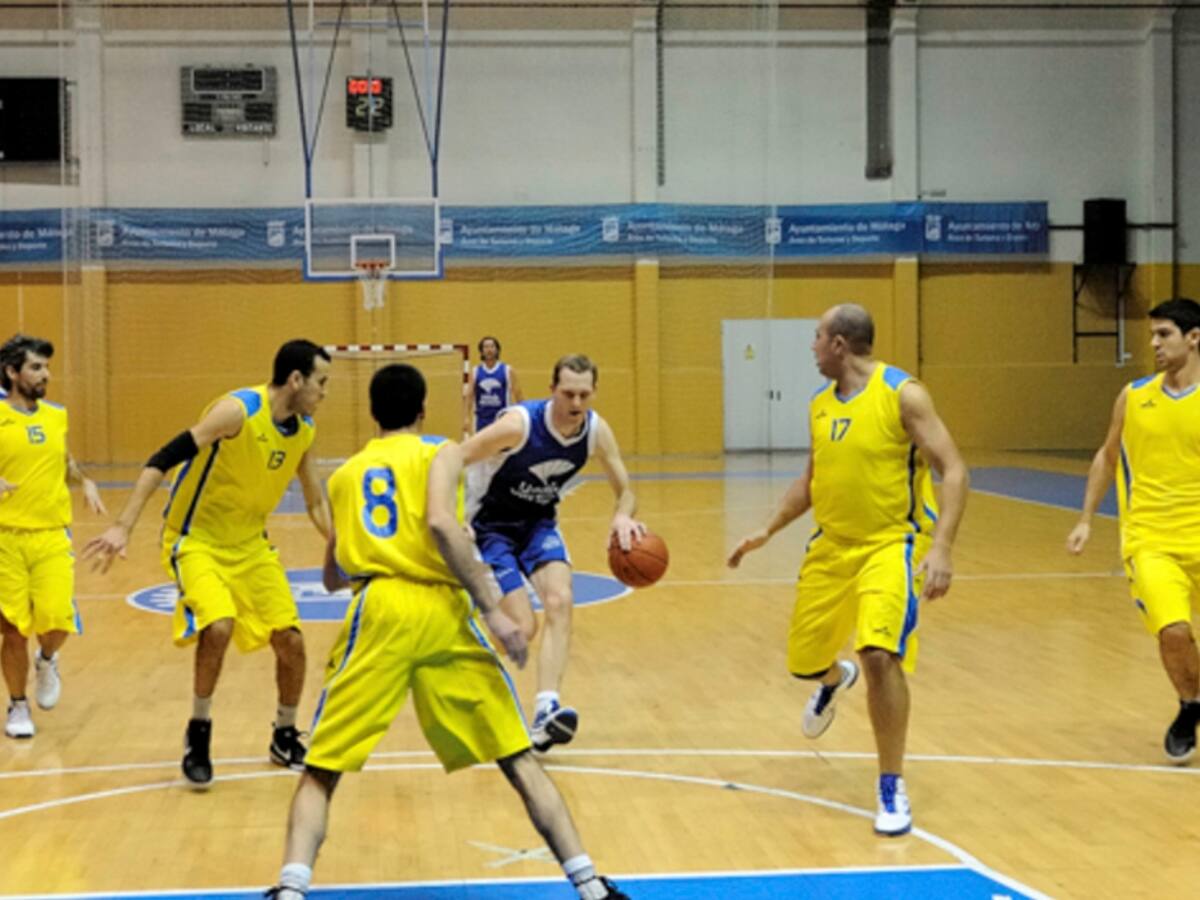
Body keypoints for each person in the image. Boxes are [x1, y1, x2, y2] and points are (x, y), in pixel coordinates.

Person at [266, 364, 629, 900]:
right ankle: (590, 884)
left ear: (372, 413)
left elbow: (332, 576)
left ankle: (291, 888)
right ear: (422, 410)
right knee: (517, 757)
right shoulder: (442, 453)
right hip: (442, 609)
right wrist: (493, 610)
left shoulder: (345, 476)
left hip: (379, 611)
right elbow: (440, 523)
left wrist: (371, 550)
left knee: (321, 768)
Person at [727, 304, 969, 836]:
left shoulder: (903, 394)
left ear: (839, 344)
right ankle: (834, 680)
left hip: (891, 544)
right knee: (804, 662)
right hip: (831, 549)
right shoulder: (819, 404)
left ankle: (891, 785)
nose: (812, 347)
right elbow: (811, 482)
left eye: (817, 337)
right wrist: (766, 530)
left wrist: (943, 548)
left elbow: (953, 469)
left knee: (880, 654)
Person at [82, 339, 332, 785]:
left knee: (291, 640)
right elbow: (161, 459)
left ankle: (284, 733)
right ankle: (198, 733)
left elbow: (315, 501)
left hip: (251, 546)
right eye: (321, 382)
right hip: (195, 540)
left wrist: (340, 545)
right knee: (218, 626)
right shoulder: (237, 412)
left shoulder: (304, 430)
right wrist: (123, 525)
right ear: (296, 380)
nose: (324, 393)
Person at [459, 354, 642, 752]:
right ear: (552, 390)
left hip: (538, 524)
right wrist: (453, 515)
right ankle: (460, 664)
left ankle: (546, 711)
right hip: (489, 528)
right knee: (522, 630)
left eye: (584, 395)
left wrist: (622, 517)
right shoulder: (519, 425)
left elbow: (626, 490)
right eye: (568, 393)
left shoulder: (595, 431)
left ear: (593, 392)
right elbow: (454, 459)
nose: (576, 403)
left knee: (560, 599)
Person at [1067, 297, 1200, 764]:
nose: (1154, 343)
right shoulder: (1134, 396)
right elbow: (1107, 457)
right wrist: (1086, 518)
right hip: (1151, 539)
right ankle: (1190, 706)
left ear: (1194, 338)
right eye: (1152, 335)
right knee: (1173, 631)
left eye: (1164, 334)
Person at [0, 335, 106, 739]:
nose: (46, 374)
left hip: (51, 536)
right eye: (36, 367)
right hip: (5, 539)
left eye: (46, 367)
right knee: (13, 629)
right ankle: (17, 704)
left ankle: (47, 659)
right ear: (12, 372)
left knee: (58, 620)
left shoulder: (56, 415)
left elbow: (65, 461)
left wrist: (85, 480)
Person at [463, 336, 523, 438]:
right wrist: (466, 417)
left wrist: (522, 416)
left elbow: (518, 394)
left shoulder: (507, 370)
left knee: (502, 447)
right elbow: (469, 396)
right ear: (481, 351)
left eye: (492, 346)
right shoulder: (475, 371)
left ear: (497, 350)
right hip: (481, 420)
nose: (489, 349)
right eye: (486, 347)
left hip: (502, 419)